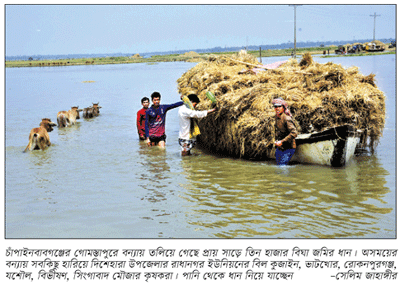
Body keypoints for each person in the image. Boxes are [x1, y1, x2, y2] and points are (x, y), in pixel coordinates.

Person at [272, 97, 297, 166]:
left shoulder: (286, 118)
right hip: (280, 147)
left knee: (282, 166)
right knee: (278, 166)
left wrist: (282, 141)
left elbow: (294, 133)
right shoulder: (277, 118)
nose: (277, 108)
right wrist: (276, 141)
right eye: (275, 106)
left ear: (283, 107)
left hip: (288, 147)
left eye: (279, 106)